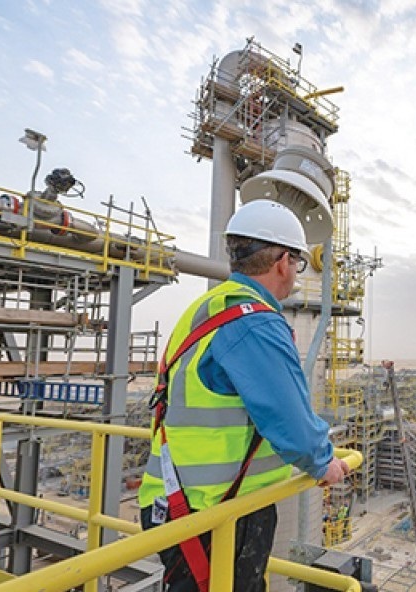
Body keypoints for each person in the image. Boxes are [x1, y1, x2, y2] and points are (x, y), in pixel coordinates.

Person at [138, 199, 349, 592]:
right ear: (284, 262)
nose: (296, 273)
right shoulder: (256, 323)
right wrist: (325, 463)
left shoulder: (206, 309)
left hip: (174, 500)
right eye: (298, 263)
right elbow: (292, 422)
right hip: (215, 515)